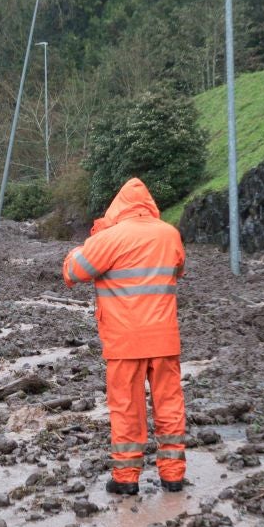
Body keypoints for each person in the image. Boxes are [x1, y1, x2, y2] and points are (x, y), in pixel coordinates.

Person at [62, 178, 187, 495]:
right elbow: (178, 268)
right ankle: (173, 476)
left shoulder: (109, 239)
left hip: (124, 343)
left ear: (118, 206)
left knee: (126, 409)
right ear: (149, 205)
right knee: (169, 407)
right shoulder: (170, 234)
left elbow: (72, 272)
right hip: (164, 339)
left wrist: (88, 243)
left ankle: (126, 478)